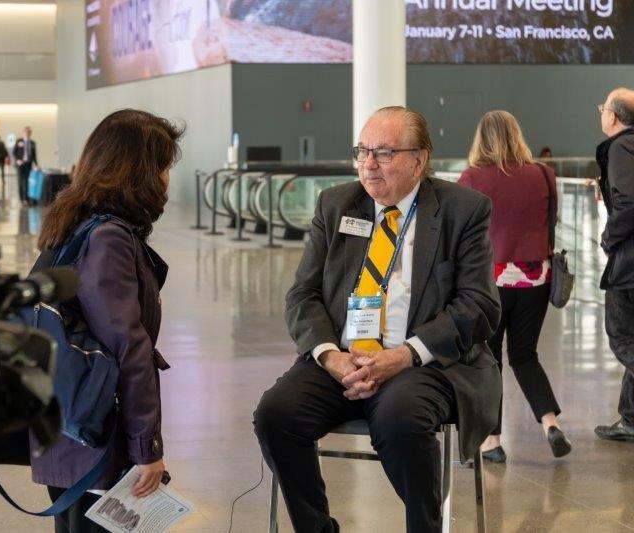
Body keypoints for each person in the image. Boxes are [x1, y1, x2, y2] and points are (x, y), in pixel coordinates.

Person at [253, 106, 502, 532]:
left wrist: (405, 355)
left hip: (424, 360)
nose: (369, 163)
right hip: (344, 358)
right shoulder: (336, 204)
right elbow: (303, 295)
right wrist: (331, 357)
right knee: (275, 414)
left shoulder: (463, 209)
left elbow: (479, 305)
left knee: (400, 419)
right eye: (363, 151)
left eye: (385, 153)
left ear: (419, 160)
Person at [32, 109, 183, 533]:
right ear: (139, 172)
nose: (167, 178)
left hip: (66, 426)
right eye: (163, 166)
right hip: (98, 437)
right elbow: (127, 346)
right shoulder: (108, 239)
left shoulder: (73, 223)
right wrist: (145, 448)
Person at [458, 111, 572, 463]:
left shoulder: (472, 178)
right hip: (536, 278)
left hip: (490, 282)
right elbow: (550, 222)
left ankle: (491, 440)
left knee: (487, 360)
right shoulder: (543, 174)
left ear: (482, 139)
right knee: (524, 355)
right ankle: (550, 423)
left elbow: (460, 234)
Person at [594, 88, 634, 442]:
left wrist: (609, 237)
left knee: (622, 338)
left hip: (629, 263)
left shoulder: (622, 146)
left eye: (603, 108)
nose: (601, 113)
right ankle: (630, 418)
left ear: (613, 116)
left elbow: (629, 202)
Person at [13, 126, 38, 206]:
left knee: (27, 181)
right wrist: (17, 160)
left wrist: (36, 164)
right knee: (20, 181)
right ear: (23, 132)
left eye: (29, 132)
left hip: (28, 164)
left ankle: (26, 199)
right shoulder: (19, 141)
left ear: (31, 133)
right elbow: (14, 152)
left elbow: (34, 156)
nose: (27, 133)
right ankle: (21, 199)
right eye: (26, 132)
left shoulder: (33, 143)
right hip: (20, 164)